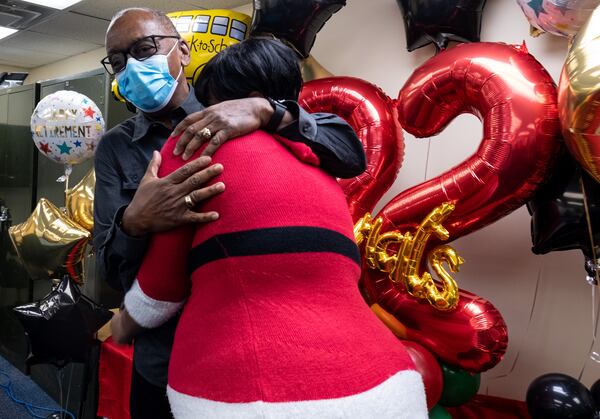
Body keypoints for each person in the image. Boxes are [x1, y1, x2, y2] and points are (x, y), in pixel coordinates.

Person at [111, 37, 428, 419]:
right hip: (387, 382)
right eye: (118, 59)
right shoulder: (318, 162)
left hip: (247, 383)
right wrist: (133, 220)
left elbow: (158, 290)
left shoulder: (200, 142)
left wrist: (123, 324)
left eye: (144, 50)